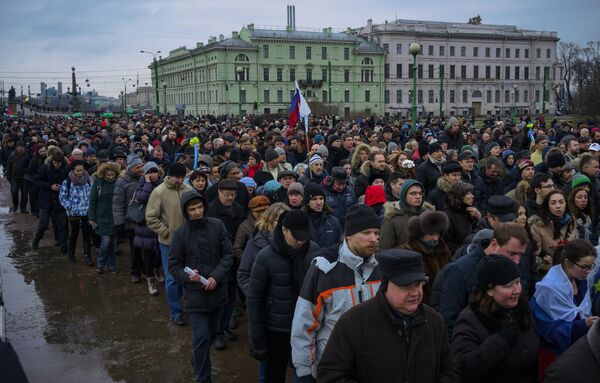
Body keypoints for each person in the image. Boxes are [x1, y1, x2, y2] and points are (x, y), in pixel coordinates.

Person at [317, 249, 458, 382]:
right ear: (385, 285)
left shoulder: (434, 321)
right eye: (406, 285)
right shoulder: (352, 323)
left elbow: (450, 371)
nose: (415, 292)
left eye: (418, 284)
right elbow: (330, 376)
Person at [291, 204, 382, 381]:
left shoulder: (382, 268)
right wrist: (304, 370)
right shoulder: (324, 268)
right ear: (348, 235)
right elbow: (305, 323)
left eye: (377, 233)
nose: (374, 239)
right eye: (366, 232)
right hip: (332, 368)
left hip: (372, 368)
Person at [168, 191, 234, 383]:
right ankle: (203, 378)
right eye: (192, 209)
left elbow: (228, 254)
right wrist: (189, 277)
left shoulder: (217, 226)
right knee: (201, 338)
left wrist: (216, 276)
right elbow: (174, 265)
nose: (197, 212)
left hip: (218, 293)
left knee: (211, 335)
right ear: (185, 212)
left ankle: (198, 359)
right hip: (195, 297)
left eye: (199, 207)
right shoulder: (180, 234)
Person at [246, 210, 320, 383]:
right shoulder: (265, 256)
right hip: (277, 330)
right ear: (284, 230)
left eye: (304, 236)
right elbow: (254, 299)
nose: (301, 241)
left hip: (306, 328)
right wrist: (258, 338)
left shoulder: (314, 252)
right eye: (296, 236)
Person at [451, 255, 539, 383]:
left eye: (518, 282)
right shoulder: (470, 320)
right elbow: (463, 369)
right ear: (490, 290)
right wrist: (500, 342)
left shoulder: (522, 310)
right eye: (509, 285)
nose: (517, 290)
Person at [436, 223, 528, 337]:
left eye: (521, 255)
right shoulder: (460, 270)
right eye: (512, 253)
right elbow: (449, 319)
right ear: (494, 244)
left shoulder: (516, 264)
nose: (517, 261)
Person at [530, 239, 599, 378]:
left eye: (591, 267)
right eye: (584, 266)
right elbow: (547, 332)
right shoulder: (548, 290)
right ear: (568, 263)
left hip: (577, 353)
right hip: (555, 357)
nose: (588, 271)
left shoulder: (580, 281)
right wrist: (583, 324)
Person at [145, 163, 192, 325]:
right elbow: (151, 218)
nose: (180, 180)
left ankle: (189, 306)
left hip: (189, 242)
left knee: (188, 276)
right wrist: (166, 232)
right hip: (168, 243)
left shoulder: (188, 190)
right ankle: (175, 312)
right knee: (172, 279)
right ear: (169, 176)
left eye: (182, 177)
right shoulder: (159, 192)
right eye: (177, 177)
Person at [207, 179, 248, 348]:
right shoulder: (210, 210)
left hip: (234, 259)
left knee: (231, 298)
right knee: (218, 299)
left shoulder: (239, 209)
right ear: (219, 193)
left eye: (233, 194)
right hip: (217, 260)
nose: (230, 198)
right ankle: (217, 333)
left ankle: (224, 328)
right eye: (227, 194)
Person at [237, 203, 291, 296]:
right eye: (280, 221)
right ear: (269, 221)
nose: (284, 224)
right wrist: (256, 297)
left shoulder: (293, 241)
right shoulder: (255, 243)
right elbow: (243, 275)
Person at [528, 190, 577, 277]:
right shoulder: (537, 225)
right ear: (547, 206)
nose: (558, 206)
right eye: (553, 203)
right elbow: (532, 256)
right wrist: (547, 264)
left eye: (561, 202)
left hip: (570, 271)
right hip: (548, 274)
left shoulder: (571, 221)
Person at [133, 162, 163, 296]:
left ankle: (156, 269)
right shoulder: (141, 184)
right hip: (145, 225)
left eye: (155, 171)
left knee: (161, 253)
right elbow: (140, 199)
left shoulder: (163, 183)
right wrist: (148, 184)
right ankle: (150, 279)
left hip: (161, 222)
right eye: (150, 172)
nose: (153, 174)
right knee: (149, 254)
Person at [113, 154, 144, 283]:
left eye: (141, 166)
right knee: (135, 247)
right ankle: (136, 271)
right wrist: (119, 222)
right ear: (130, 168)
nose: (141, 169)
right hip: (131, 220)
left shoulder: (146, 178)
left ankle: (149, 270)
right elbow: (118, 203)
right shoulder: (122, 181)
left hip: (146, 218)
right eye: (137, 167)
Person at [32, 151, 69, 255]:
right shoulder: (45, 168)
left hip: (60, 201)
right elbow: (36, 180)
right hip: (46, 200)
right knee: (43, 223)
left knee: (62, 225)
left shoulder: (66, 169)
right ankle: (36, 240)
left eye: (59, 163)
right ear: (52, 161)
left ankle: (64, 249)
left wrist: (63, 187)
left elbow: (70, 182)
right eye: (55, 163)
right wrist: (50, 186)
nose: (57, 165)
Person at [380, 179, 433, 249]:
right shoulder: (392, 217)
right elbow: (385, 247)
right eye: (413, 193)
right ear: (404, 195)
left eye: (420, 193)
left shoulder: (428, 215)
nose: (418, 196)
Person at [58, 159, 93, 265]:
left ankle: (88, 256)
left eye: (81, 170)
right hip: (73, 212)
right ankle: (71, 255)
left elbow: (93, 194)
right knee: (74, 233)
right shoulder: (67, 181)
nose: (80, 172)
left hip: (87, 212)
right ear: (73, 171)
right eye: (77, 171)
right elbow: (62, 197)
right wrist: (71, 207)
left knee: (87, 234)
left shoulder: (89, 180)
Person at [89, 162, 121, 274]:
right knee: (106, 241)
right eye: (108, 175)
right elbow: (92, 201)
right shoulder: (98, 184)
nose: (110, 177)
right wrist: (91, 217)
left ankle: (112, 266)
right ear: (103, 174)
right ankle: (101, 264)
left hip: (114, 217)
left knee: (112, 243)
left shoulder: (118, 183)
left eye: (112, 175)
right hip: (101, 217)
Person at [444, 181, 482, 253]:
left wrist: (479, 218)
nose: (472, 196)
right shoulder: (448, 216)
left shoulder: (470, 211)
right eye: (468, 193)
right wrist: (467, 251)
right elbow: (448, 245)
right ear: (459, 196)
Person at [302, 183, 342, 248]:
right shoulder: (302, 221)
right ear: (307, 203)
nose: (319, 203)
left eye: (321, 198)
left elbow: (340, 245)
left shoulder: (334, 222)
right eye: (314, 199)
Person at [6, 140, 30, 213]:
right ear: (16, 147)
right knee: (14, 192)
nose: (20, 148)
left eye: (21, 147)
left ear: (24, 148)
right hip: (14, 178)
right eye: (18, 147)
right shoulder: (12, 155)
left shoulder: (27, 155)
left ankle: (23, 208)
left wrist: (25, 170)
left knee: (24, 194)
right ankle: (15, 205)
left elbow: (30, 167)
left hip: (24, 178)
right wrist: (8, 176)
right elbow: (8, 165)